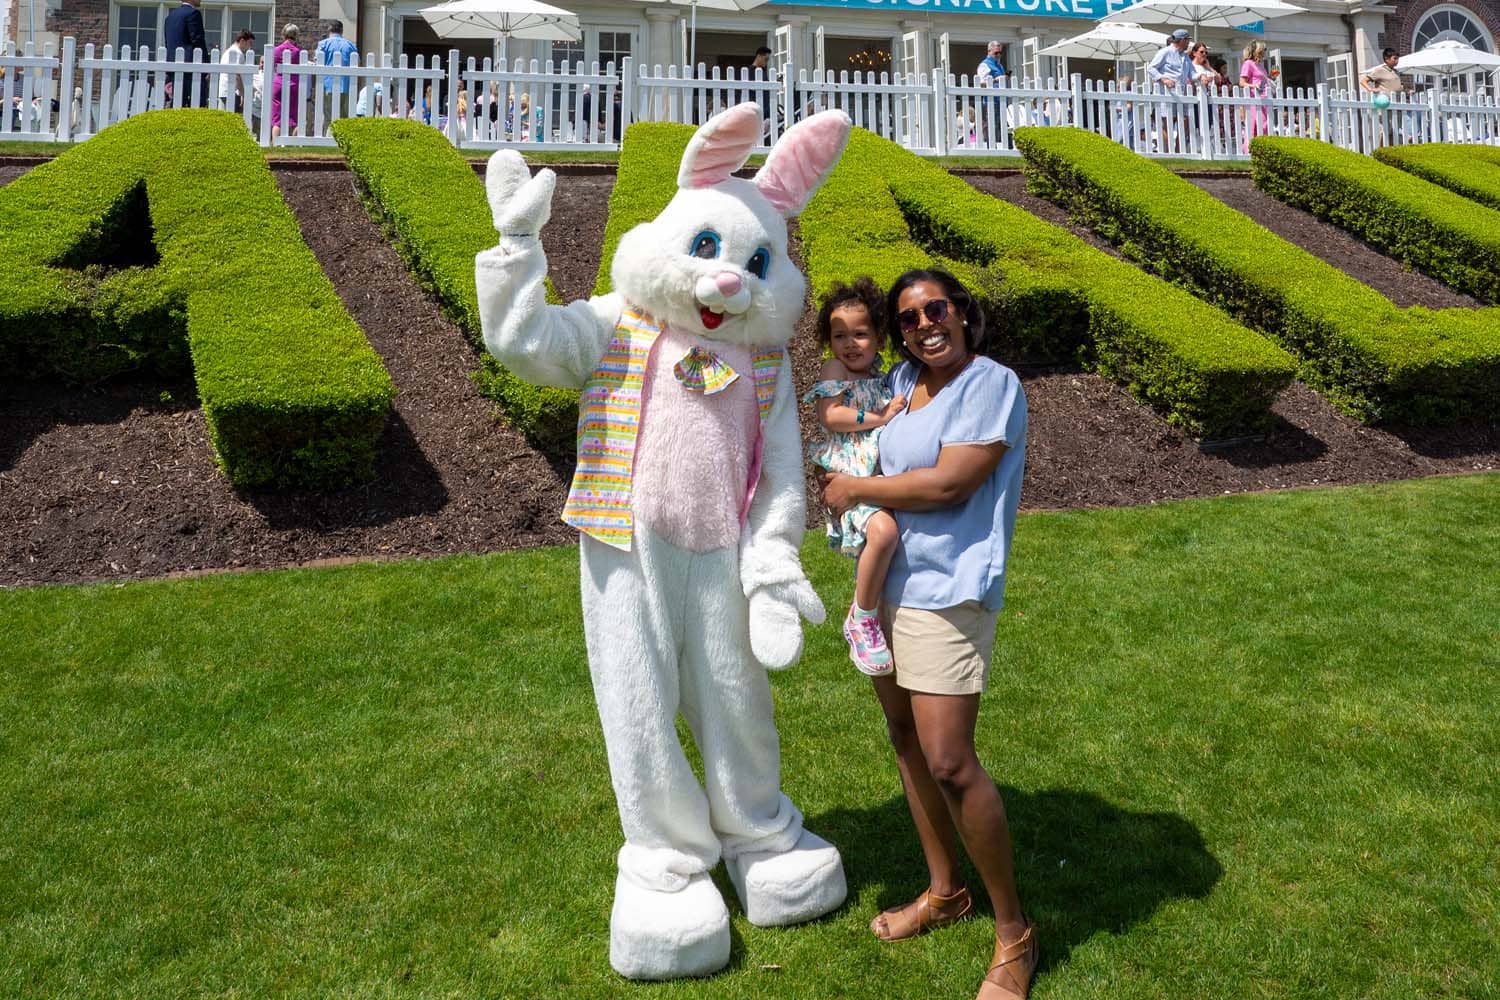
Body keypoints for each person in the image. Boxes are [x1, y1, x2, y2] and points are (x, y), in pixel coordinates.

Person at [820, 269, 1033, 1000]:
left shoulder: (991, 383)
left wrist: (858, 490)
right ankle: (945, 892)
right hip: (889, 587)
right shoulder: (903, 382)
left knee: (949, 759)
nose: (922, 325)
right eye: (907, 318)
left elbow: (951, 484)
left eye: (934, 309)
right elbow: (841, 417)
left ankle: (1015, 935)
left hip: (951, 589)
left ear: (963, 312)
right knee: (905, 738)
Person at [804, 278, 908, 676]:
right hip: (849, 475)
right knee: (883, 533)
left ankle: (871, 608)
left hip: (873, 476)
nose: (849, 344)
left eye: (860, 334)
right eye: (839, 335)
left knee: (886, 538)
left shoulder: (881, 375)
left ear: (879, 337)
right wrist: (880, 416)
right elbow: (830, 415)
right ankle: (861, 618)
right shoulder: (836, 369)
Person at [1148, 29, 1194, 151]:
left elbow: (1193, 73)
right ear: (1182, 40)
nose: (1188, 43)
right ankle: (1168, 151)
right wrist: (1163, 79)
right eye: (1187, 40)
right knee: (1167, 122)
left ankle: (1180, 150)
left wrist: (1202, 77)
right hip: (1166, 93)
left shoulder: (1185, 56)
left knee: (1185, 121)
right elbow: (1151, 68)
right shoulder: (1165, 52)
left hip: (1182, 93)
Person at [163, 0, 210, 107]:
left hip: (174, 68)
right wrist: (206, 65)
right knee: (198, 106)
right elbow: (197, 40)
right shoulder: (193, 13)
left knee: (177, 105)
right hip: (192, 68)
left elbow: (168, 43)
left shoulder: (170, 17)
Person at [316, 20, 358, 129]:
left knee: (329, 117)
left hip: (328, 86)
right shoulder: (350, 45)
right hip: (346, 86)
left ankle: (329, 141)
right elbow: (358, 64)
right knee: (344, 117)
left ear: (329, 30)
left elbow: (317, 62)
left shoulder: (323, 44)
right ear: (342, 30)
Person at [1239, 39, 1274, 151]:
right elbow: (1241, 82)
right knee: (1254, 128)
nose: (1265, 51)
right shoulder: (1248, 64)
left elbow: (1262, 81)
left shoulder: (1261, 66)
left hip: (1264, 100)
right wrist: (1253, 86)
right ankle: (1248, 152)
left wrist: (1271, 77)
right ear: (1256, 51)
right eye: (1263, 49)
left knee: (1264, 127)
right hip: (1254, 101)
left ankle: (1260, 152)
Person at [269, 23, 302, 139]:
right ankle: (292, 145)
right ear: (296, 35)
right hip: (293, 85)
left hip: (278, 84)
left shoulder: (276, 50)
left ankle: (275, 145)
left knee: (277, 119)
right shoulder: (298, 52)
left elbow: (271, 67)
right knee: (293, 118)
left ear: (283, 34)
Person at [218, 28, 255, 115]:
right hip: (233, 92)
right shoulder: (238, 53)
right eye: (249, 43)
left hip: (225, 91)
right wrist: (242, 93)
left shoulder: (228, 51)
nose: (250, 46)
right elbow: (236, 75)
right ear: (242, 40)